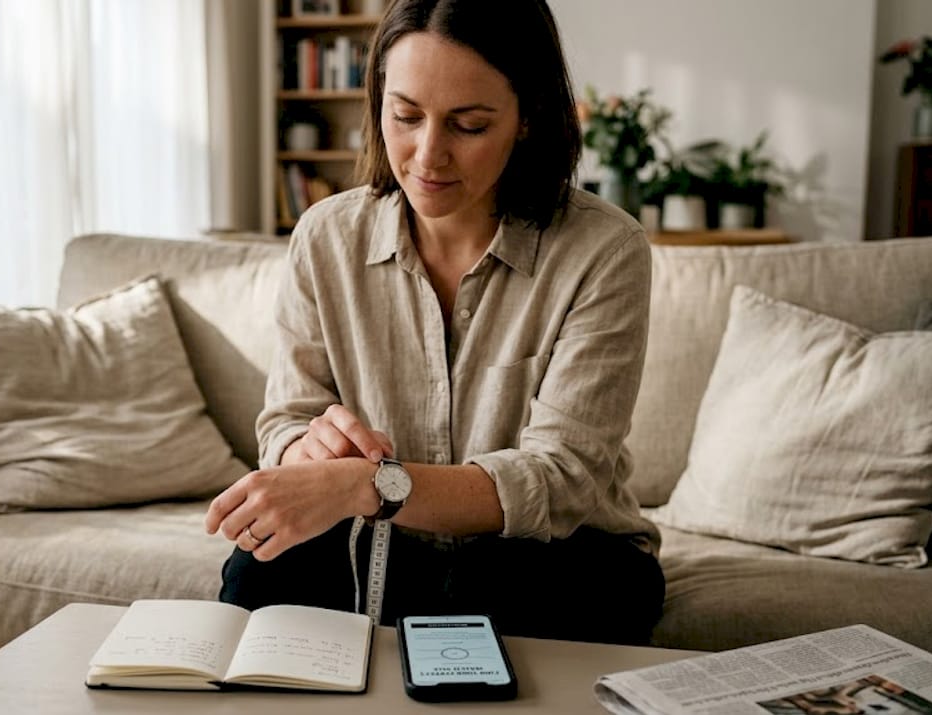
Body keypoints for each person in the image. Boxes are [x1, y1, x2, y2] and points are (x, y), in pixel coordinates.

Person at [205, 0, 664, 646]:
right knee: (257, 569)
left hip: (555, 553)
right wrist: (306, 453)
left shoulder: (604, 251)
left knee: (515, 586)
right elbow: (284, 419)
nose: (427, 155)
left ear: (527, 117)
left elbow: (562, 480)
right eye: (405, 116)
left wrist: (370, 484)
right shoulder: (325, 237)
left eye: (469, 125)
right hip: (383, 545)